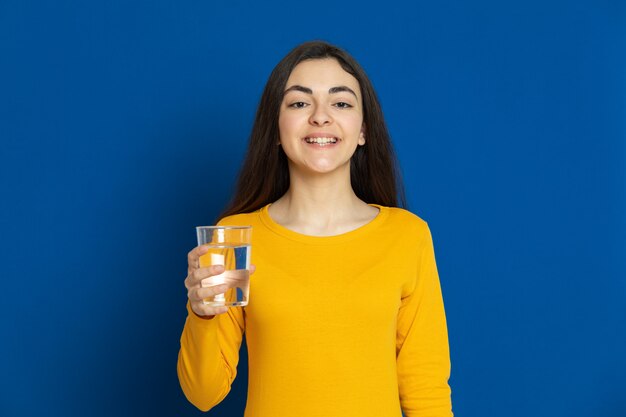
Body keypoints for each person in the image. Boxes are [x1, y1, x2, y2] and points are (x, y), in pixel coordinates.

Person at [178, 41, 453, 417]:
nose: (320, 117)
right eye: (299, 103)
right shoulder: (235, 238)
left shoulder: (407, 236)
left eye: (340, 103)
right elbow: (203, 393)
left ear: (363, 131)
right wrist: (203, 314)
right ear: (275, 129)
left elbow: (427, 391)